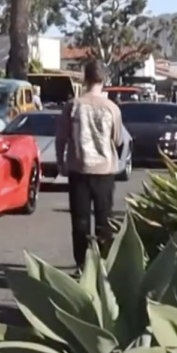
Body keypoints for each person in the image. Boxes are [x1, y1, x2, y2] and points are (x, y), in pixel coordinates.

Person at [55, 60, 123, 267]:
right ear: (104, 80)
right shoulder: (112, 108)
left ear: (85, 79)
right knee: (104, 219)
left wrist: (61, 162)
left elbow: (61, 138)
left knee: (80, 220)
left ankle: (82, 264)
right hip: (104, 170)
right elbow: (117, 139)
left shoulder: (73, 106)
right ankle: (104, 263)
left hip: (79, 168)